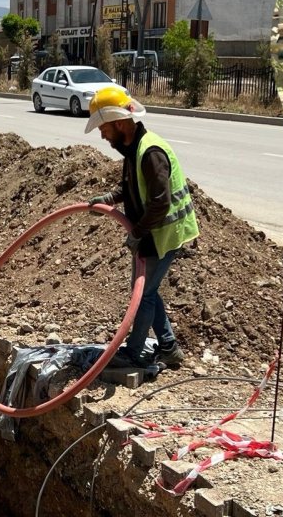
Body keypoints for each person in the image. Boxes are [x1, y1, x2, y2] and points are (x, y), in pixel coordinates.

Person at [84, 87, 198, 370]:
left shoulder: (150, 152)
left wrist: (136, 233)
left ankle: (134, 352)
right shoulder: (133, 148)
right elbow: (133, 186)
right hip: (152, 231)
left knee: (144, 294)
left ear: (119, 123)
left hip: (164, 233)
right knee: (147, 290)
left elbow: (160, 203)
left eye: (104, 128)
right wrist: (110, 198)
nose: (102, 135)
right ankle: (169, 347)